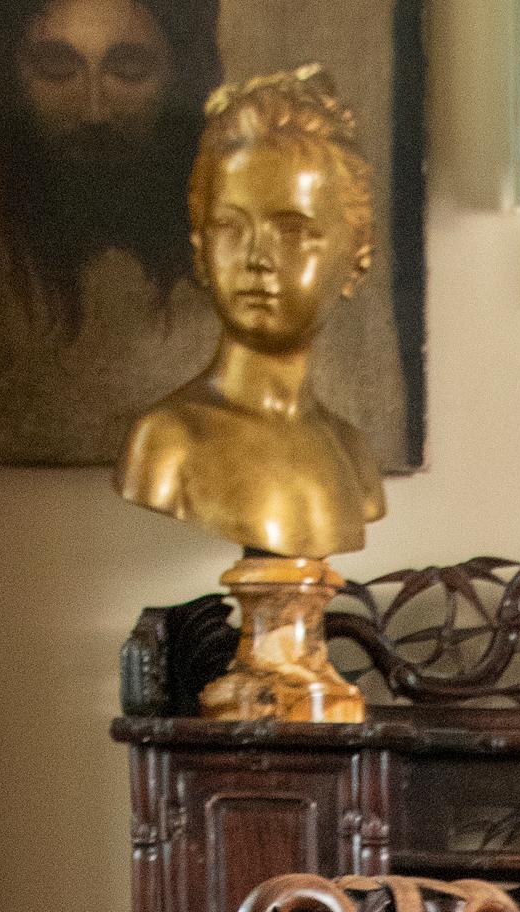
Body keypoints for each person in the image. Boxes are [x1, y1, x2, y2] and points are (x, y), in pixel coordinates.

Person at [116, 66, 386, 560]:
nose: (257, 258)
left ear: (357, 256)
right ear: (200, 247)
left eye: (292, 231)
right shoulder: (169, 443)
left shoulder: (353, 457)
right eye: (231, 228)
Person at [0, 0, 222, 338]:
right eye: (57, 68)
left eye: (129, 68)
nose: (94, 110)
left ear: (180, 76)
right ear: (5, 80)